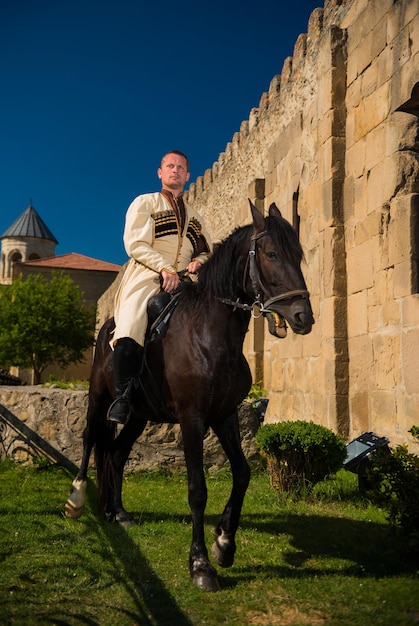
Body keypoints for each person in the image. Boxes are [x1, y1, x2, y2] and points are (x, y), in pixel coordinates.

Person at [108, 150, 212, 424]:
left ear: (188, 175)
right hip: (147, 275)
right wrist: (164, 268)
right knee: (131, 325)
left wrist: (199, 262)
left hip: (184, 282)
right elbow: (135, 244)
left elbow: (205, 250)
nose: (175, 170)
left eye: (181, 167)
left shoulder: (196, 216)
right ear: (160, 173)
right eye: (170, 166)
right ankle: (122, 397)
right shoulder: (145, 203)